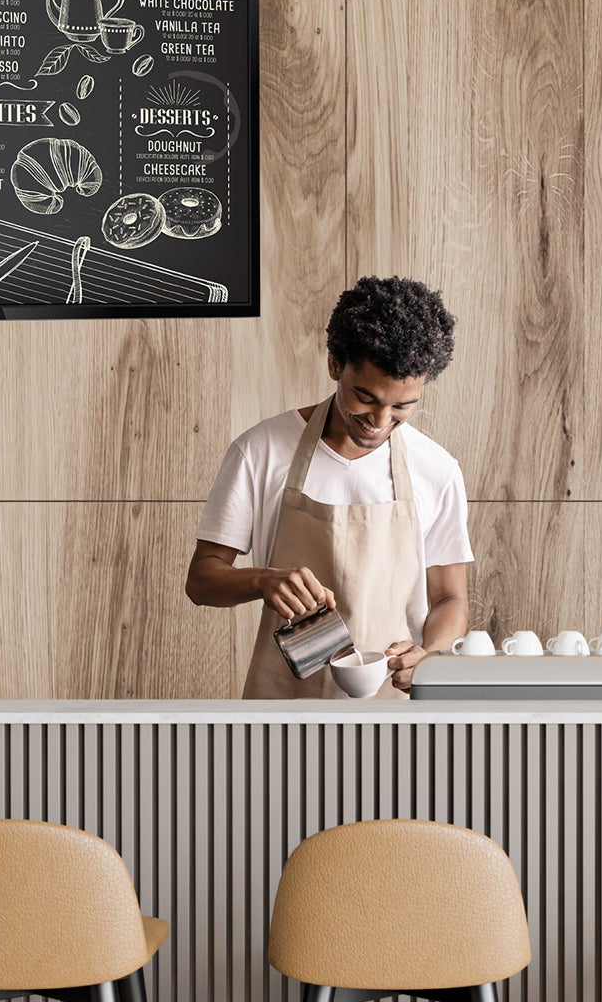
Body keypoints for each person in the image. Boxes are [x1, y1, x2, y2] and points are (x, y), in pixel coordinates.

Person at [187, 275, 471, 697]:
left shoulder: (437, 470)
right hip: (282, 705)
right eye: (367, 398)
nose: (379, 422)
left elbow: (450, 599)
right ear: (335, 365)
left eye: (401, 407)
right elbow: (202, 580)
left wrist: (430, 654)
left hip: (392, 705)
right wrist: (262, 581)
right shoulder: (261, 451)